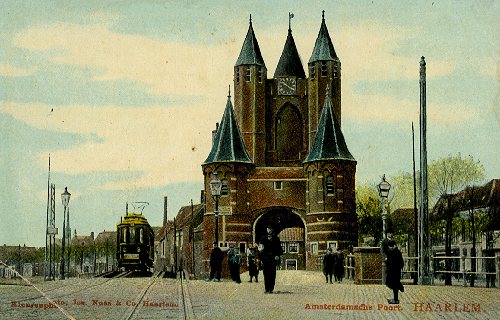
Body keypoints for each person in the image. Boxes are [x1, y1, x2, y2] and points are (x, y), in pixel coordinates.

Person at [258, 225, 283, 293]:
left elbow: (279, 248)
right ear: (266, 230)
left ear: (272, 230)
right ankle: (267, 288)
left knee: (272, 273)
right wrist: (261, 258)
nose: (269, 230)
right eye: (268, 229)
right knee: (266, 274)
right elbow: (260, 249)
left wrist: (277, 255)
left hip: (273, 258)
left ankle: (271, 288)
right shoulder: (263, 238)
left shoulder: (276, 238)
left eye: (270, 229)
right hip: (265, 258)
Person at [385, 239, 404, 304]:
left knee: (394, 286)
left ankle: (396, 299)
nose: (389, 248)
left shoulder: (396, 253)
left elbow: (400, 263)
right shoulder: (394, 252)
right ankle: (399, 286)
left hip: (394, 272)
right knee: (391, 284)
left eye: (390, 246)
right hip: (393, 272)